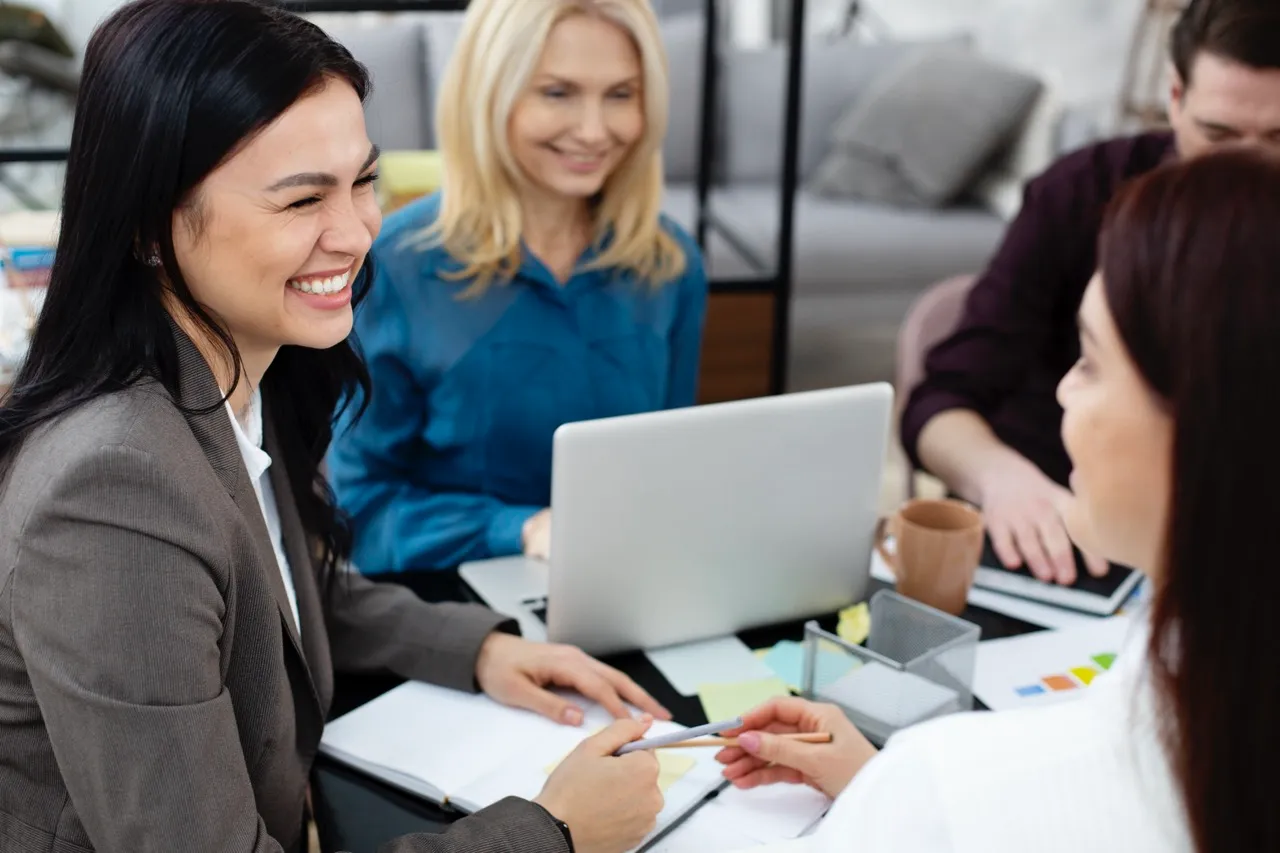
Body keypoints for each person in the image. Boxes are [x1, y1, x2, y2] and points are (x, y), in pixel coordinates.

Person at [0, 2, 674, 851]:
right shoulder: (112, 491)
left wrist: (478, 649)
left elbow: (273, 593)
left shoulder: (249, 371)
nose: (356, 234)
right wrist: (554, 831)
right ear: (146, 225)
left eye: (361, 181)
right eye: (301, 200)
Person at [715, 147, 1280, 852]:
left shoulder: (957, 786)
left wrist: (907, 803)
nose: (1065, 390)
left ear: (1205, 428)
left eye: (1093, 362)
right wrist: (890, 794)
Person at [900, 0, 1280, 585]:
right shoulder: (1080, 197)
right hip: (1065, 541)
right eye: (1219, 134)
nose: (1245, 170)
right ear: (1174, 100)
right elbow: (941, 401)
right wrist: (1001, 478)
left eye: (1277, 138)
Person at [327, 0, 709, 574]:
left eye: (621, 95)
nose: (593, 130)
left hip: (626, 579)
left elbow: (673, 471)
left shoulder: (670, 263)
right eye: (557, 92)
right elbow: (360, 512)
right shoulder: (393, 268)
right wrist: (524, 528)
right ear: (490, 95)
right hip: (452, 599)